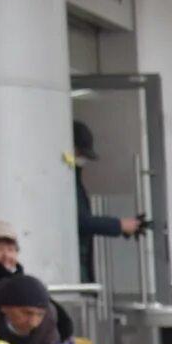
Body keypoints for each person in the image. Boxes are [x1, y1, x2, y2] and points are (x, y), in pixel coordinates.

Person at [69, 120, 148, 286]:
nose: (82, 158)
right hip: (75, 264)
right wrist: (119, 225)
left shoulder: (72, 178)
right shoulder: (68, 181)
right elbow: (81, 221)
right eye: (80, 152)